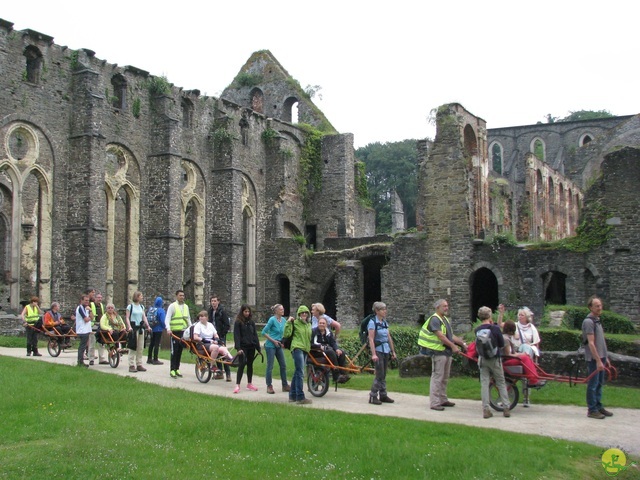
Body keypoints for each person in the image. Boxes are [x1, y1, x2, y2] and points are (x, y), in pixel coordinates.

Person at [418, 299, 467, 411]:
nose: (446, 308)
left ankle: (443, 399)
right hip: (437, 352)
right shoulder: (435, 320)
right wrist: (454, 346)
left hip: (445, 352)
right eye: (444, 306)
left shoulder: (443, 319)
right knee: (437, 377)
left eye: (447, 306)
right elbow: (441, 336)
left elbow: (450, 335)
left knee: (444, 377)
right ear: (437, 307)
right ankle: (435, 403)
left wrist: (462, 344)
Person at [475, 306, 511, 419]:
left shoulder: (477, 330)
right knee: (500, 382)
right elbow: (501, 344)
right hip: (495, 359)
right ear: (490, 315)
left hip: (483, 359)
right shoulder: (495, 329)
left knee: (484, 384)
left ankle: (486, 410)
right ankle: (506, 408)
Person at [582, 296, 613, 420]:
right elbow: (591, 343)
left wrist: (605, 357)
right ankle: (592, 410)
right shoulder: (589, 322)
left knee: (599, 383)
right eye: (597, 306)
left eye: (600, 305)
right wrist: (598, 360)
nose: (600, 308)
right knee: (593, 384)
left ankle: (598, 406)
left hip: (601, 357)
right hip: (594, 359)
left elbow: (601, 342)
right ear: (590, 307)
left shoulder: (597, 320)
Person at [367, 302, 396, 405]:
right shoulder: (372, 323)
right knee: (379, 374)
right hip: (378, 351)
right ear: (377, 311)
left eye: (385, 309)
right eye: (383, 309)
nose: (385, 311)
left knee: (383, 375)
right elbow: (371, 339)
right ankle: (373, 396)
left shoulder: (384, 322)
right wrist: (373, 354)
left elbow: (389, 337)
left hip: (386, 350)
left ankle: (383, 395)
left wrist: (393, 351)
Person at [501, 320, 543, 389]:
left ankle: (534, 378)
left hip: (509, 359)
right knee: (525, 357)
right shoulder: (505, 339)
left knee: (526, 356)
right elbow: (508, 354)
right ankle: (533, 380)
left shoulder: (507, 338)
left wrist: (521, 354)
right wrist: (519, 355)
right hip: (505, 362)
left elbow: (512, 353)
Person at [284, 305, 313, 405]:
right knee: (301, 372)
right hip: (297, 348)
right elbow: (287, 334)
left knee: (297, 372)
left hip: (305, 349)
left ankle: (292, 396)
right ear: (299, 314)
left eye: (306, 312)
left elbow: (309, 337)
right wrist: (288, 323)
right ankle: (300, 397)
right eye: (302, 312)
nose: (304, 314)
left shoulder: (308, 324)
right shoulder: (295, 323)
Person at [261, 304, 290, 394]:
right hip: (271, 345)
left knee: (283, 365)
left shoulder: (284, 320)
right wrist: (273, 341)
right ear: (276, 311)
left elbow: (285, 332)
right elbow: (263, 332)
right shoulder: (272, 320)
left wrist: (283, 342)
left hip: (279, 345)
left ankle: (285, 385)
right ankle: (269, 385)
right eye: (281, 309)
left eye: (283, 309)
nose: (282, 310)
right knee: (270, 366)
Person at [311, 316, 349, 385]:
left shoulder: (328, 333)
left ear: (326, 325)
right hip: (316, 352)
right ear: (318, 324)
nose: (321, 324)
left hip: (326, 351)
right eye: (320, 323)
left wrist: (337, 349)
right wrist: (319, 346)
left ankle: (343, 374)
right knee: (331, 352)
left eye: (323, 323)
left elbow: (333, 342)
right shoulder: (313, 332)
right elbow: (310, 344)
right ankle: (336, 375)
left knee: (341, 353)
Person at [233, 305, 261, 394]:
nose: (247, 313)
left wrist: (258, 348)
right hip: (243, 347)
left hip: (251, 346)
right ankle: (237, 384)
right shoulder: (238, 322)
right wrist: (238, 348)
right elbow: (236, 335)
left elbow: (255, 335)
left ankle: (249, 383)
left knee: (250, 364)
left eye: (248, 312)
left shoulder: (251, 322)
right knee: (241, 364)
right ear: (242, 312)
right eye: (245, 312)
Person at [166, 290, 192, 379]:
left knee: (180, 351)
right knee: (174, 351)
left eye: (183, 295)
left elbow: (188, 319)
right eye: (180, 295)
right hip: (175, 332)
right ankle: (172, 369)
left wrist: (191, 329)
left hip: (183, 332)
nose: (182, 297)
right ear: (176, 296)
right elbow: (168, 318)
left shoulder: (186, 307)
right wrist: (168, 329)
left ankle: (177, 368)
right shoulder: (172, 306)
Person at [125, 291, 151, 373]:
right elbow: (127, 317)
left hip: (140, 328)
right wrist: (129, 326)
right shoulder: (130, 307)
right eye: (141, 296)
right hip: (133, 328)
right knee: (133, 347)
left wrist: (148, 326)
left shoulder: (141, 307)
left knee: (140, 347)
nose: (142, 297)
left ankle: (139, 364)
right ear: (137, 297)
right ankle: (131, 365)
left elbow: (144, 317)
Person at [209, 295, 231, 381]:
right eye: (212, 301)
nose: (213, 303)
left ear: (218, 302)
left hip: (220, 336)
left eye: (215, 301)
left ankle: (228, 374)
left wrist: (221, 335)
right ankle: (219, 373)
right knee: (216, 353)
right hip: (213, 336)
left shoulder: (222, 311)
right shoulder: (210, 311)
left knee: (224, 354)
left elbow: (227, 325)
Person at [75, 294, 94, 367]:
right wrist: (89, 317)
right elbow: (86, 319)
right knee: (82, 347)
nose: (87, 302)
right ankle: (80, 362)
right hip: (82, 330)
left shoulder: (86, 308)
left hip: (86, 330)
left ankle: (81, 362)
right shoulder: (80, 308)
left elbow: (92, 317)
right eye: (85, 300)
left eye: (88, 301)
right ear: (81, 300)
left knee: (83, 347)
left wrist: (90, 310)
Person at [146, 296, 166, 365]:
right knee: (157, 344)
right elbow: (163, 320)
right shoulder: (161, 310)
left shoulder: (151, 309)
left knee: (152, 343)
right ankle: (155, 359)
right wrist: (164, 327)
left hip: (152, 328)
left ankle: (149, 358)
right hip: (158, 328)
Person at [91, 292, 107, 365]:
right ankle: (91, 359)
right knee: (92, 343)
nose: (99, 299)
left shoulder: (101, 305)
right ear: (95, 298)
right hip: (93, 325)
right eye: (98, 297)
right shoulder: (91, 304)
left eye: (100, 297)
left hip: (100, 325)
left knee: (101, 342)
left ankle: (102, 359)